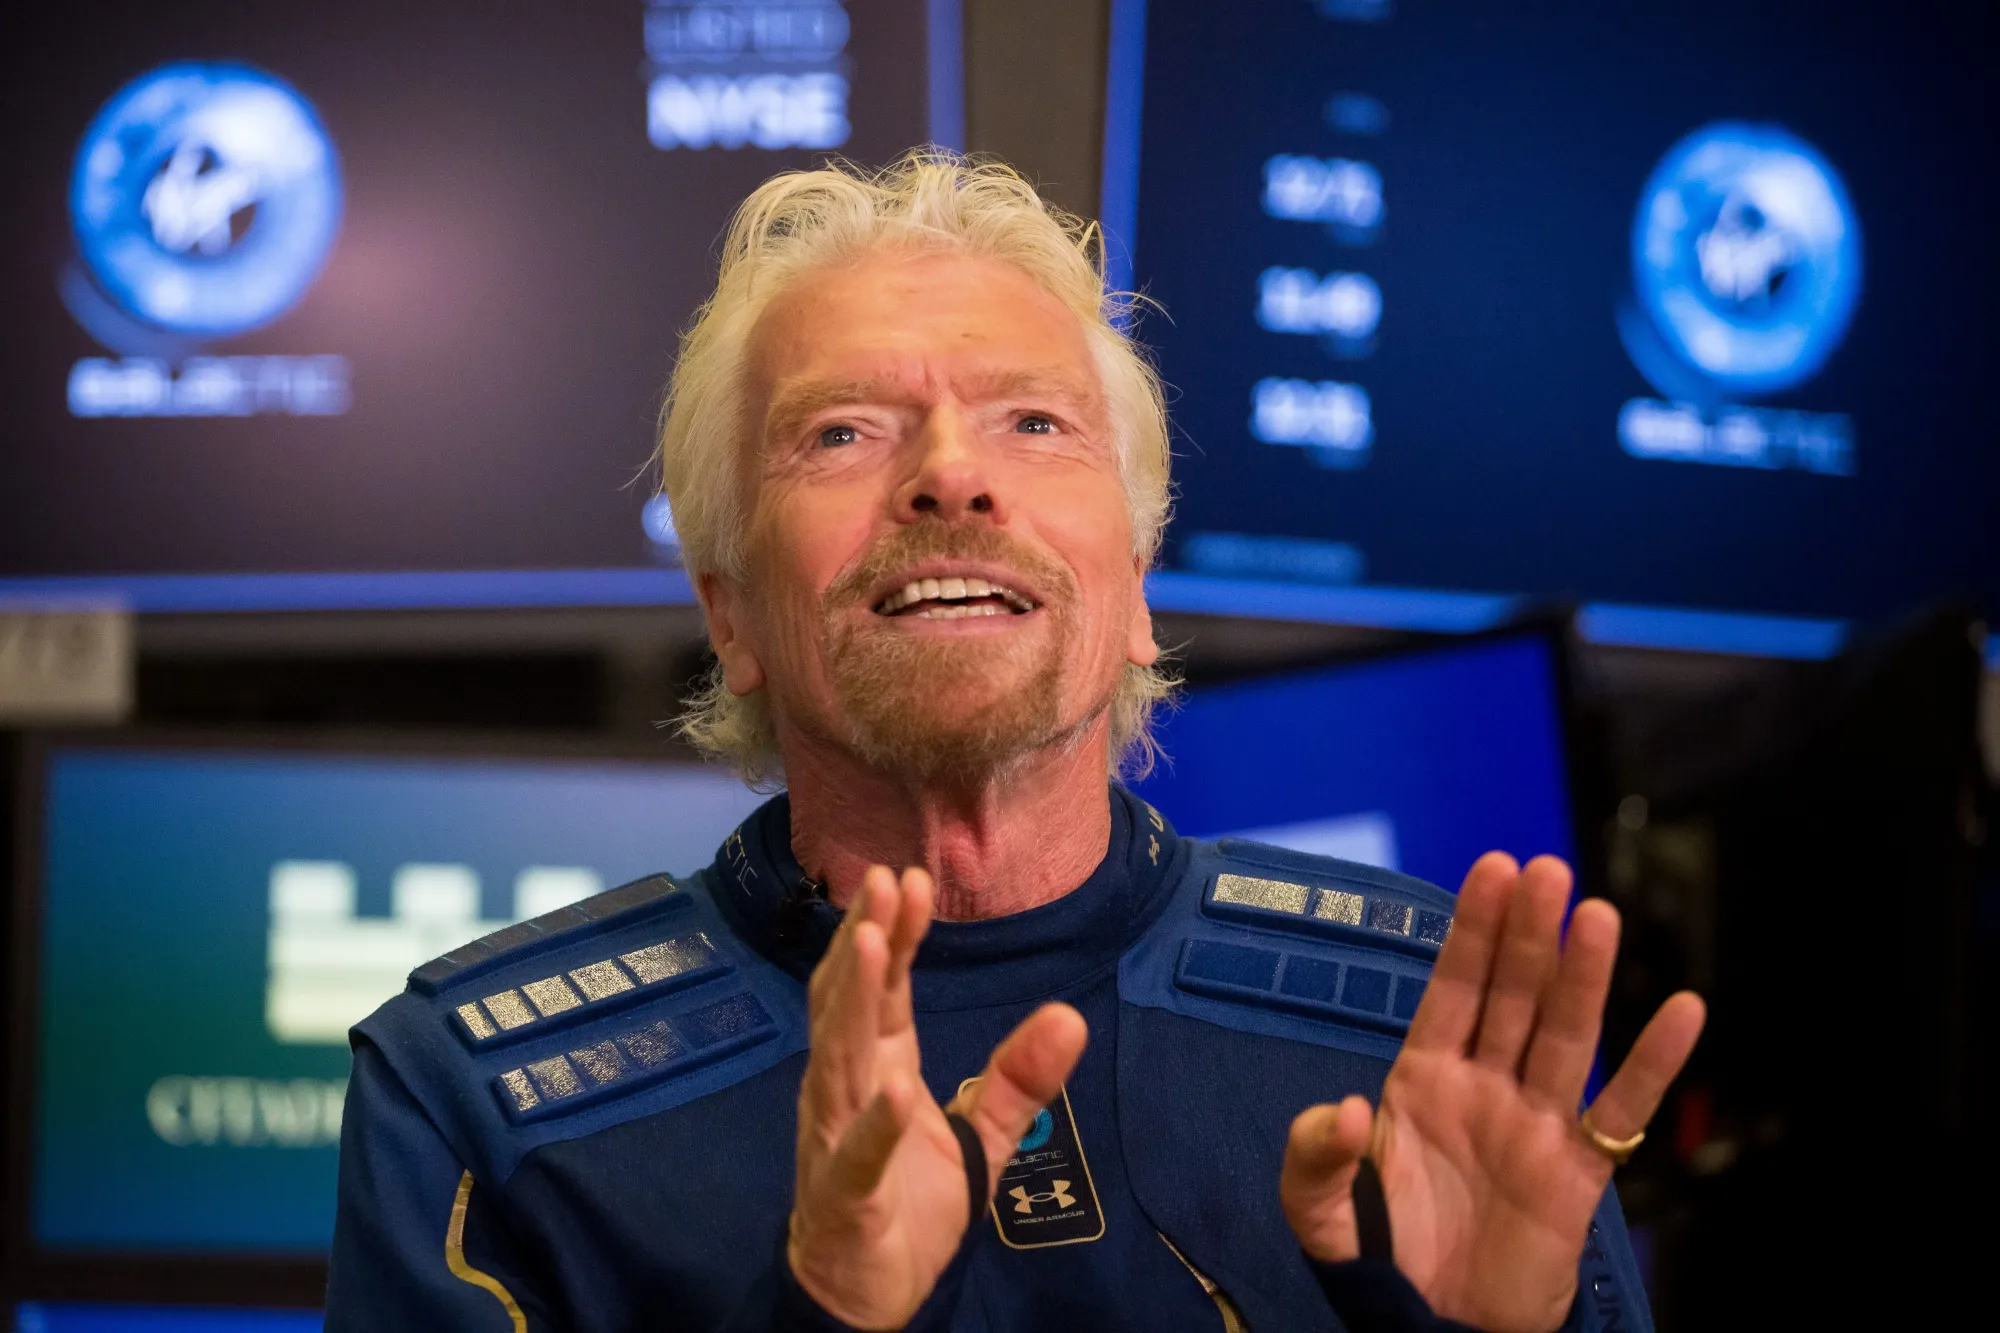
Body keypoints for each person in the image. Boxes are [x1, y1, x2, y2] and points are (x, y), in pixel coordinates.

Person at [325, 152, 1704, 1332]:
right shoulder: (477, 1097)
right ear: (729, 613)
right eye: (842, 432)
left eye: (1034, 422)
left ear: (1138, 594)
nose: (950, 473)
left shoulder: (1429, 1024)